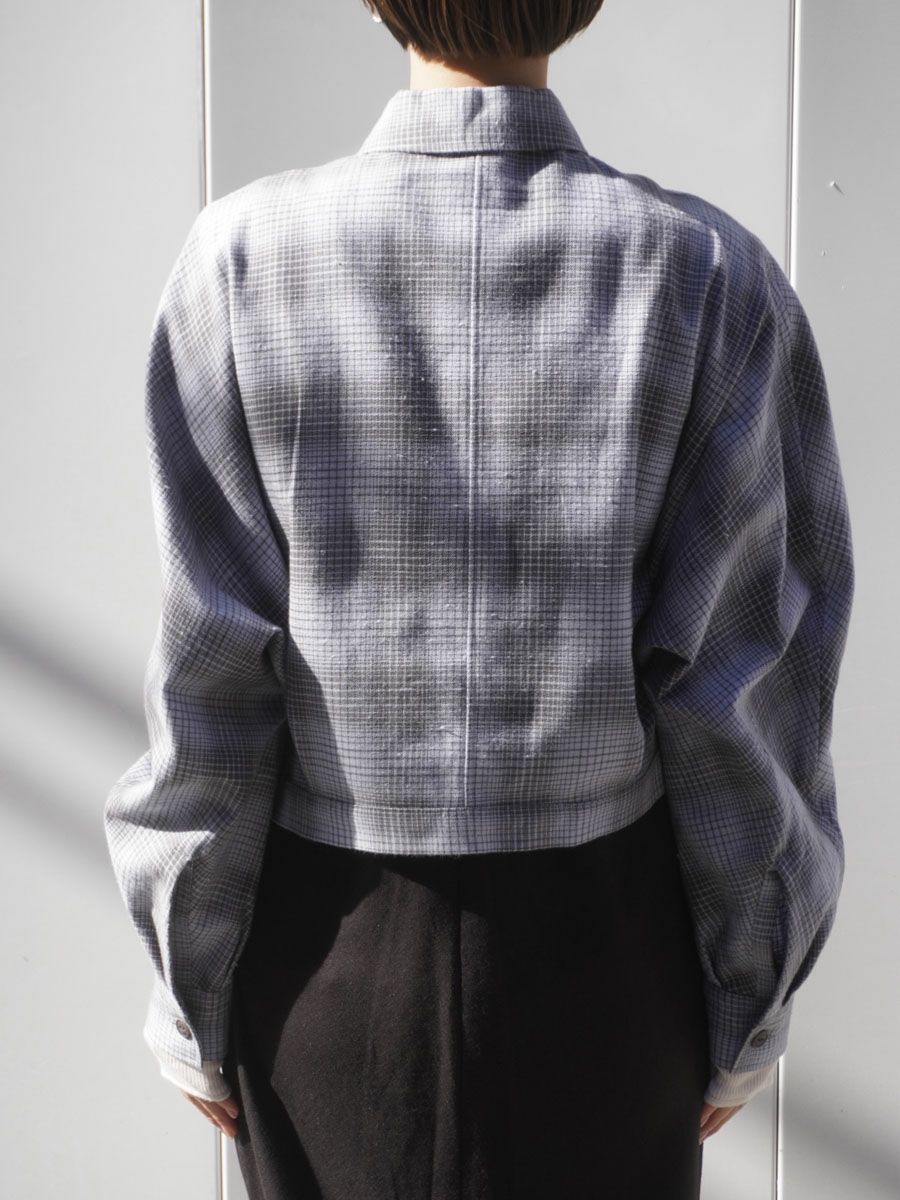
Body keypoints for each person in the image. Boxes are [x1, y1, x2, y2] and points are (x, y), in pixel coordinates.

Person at [103, 2, 855, 1197]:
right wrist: (747, 991)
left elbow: (212, 682)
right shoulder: (709, 278)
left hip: (323, 976)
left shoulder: (240, 263)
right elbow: (741, 694)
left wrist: (190, 987)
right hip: (609, 977)